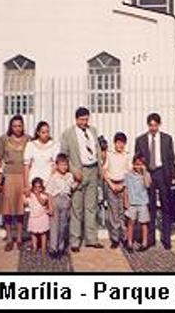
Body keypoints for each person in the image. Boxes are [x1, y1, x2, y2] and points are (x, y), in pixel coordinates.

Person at [59, 107, 106, 252]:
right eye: (82, 119)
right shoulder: (68, 134)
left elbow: (97, 150)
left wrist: (100, 168)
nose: (84, 122)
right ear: (76, 119)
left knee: (91, 207)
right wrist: (74, 171)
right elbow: (64, 155)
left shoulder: (93, 131)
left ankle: (91, 239)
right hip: (78, 172)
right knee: (76, 208)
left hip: (92, 170)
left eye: (86, 119)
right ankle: (75, 240)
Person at [134, 113, 175, 250]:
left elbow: (171, 159)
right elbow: (138, 161)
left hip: (162, 172)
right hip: (148, 174)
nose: (153, 128)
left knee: (166, 206)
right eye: (151, 125)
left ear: (159, 125)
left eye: (155, 125)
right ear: (148, 125)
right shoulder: (140, 140)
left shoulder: (167, 139)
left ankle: (166, 238)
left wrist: (172, 176)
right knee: (149, 207)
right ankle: (150, 239)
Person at [0, 114, 30, 251]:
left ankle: (20, 238)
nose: (17, 128)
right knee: (7, 209)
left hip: (23, 176)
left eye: (20, 125)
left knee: (20, 209)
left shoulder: (28, 139)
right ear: (11, 126)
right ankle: (9, 238)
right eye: (14, 126)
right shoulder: (4, 139)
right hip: (8, 176)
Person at [103, 132, 133, 249]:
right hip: (112, 185)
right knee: (113, 213)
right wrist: (111, 185)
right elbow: (104, 171)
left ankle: (124, 237)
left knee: (123, 212)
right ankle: (115, 239)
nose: (120, 145)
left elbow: (130, 172)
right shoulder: (109, 155)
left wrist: (122, 185)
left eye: (122, 143)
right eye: (118, 142)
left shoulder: (127, 155)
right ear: (114, 143)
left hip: (123, 186)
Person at [46, 153, 77, 259]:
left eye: (65, 165)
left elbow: (73, 187)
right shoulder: (54, 177)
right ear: (57, 165)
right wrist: (50, 206)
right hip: (56, 200)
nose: (63, 167)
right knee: (55, 226)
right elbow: (49, 193)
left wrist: (79, 180)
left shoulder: (69, 176)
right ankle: (53, 249)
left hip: (66, 200)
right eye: (61, 164)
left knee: (63, 226)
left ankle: (60, 248)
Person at [123, 155, 152, 253]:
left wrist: (144, 173)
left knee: (144, 223)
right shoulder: (128, 175)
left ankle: (144, 243)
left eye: (140, 164)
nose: (138, 167)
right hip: (132, 202)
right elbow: (125, 189)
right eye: (136, 164)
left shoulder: (146, 174)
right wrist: (126, 201)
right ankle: (129, 243)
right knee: (130, 222)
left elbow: (147, 184)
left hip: (143, 202)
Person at [23, 121, 59, 190]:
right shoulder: (30, 145)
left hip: (49, 179)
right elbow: (26, 165)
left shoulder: (55, 145)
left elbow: (55, 165)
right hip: (33, 178)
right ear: (38, 133)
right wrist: (26, 184)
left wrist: (50, 181)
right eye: (43, 132)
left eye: (47, 132)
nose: (46, 134)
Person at [24, 177, 52, 255]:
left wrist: (38, 195)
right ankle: (35, 246)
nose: (37, 189)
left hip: (42, 217)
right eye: (35, 187)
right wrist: (27, 193)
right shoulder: (31, 195)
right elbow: (25, 202)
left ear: (42, 188)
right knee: (33, 233)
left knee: (43, 233)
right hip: (33, 217)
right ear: (32, 187)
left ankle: (43, 248)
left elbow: (43, 202)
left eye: (39, 187)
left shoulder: (44, 196)